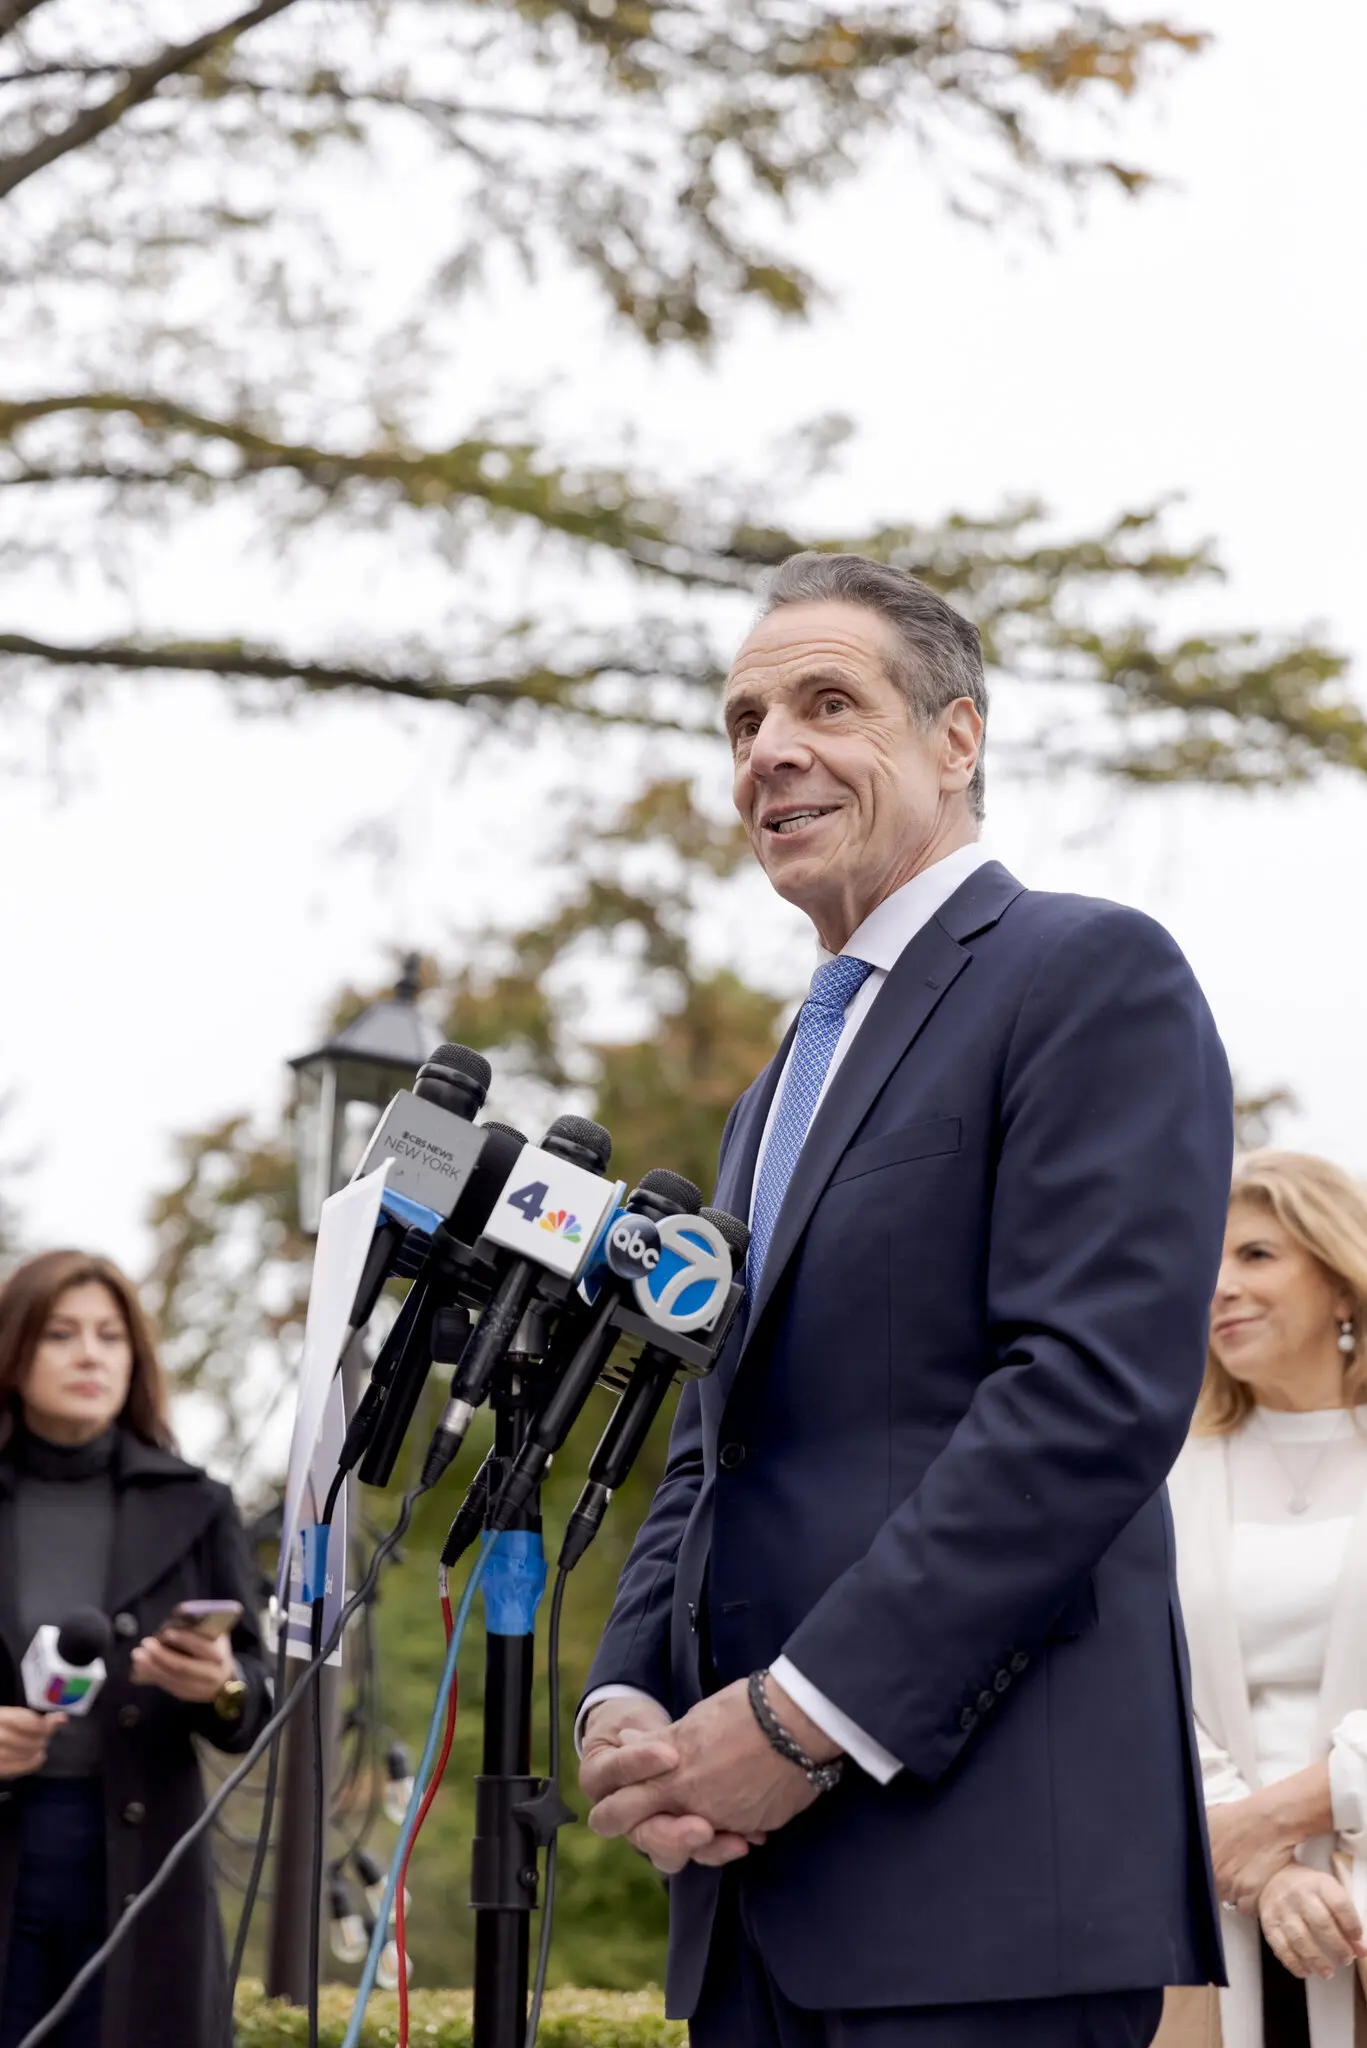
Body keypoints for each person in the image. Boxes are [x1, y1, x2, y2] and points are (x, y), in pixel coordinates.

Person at [576, 551, 1235, 2048]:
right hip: (747, 1903)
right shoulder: (770, 1096)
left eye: (825, 703)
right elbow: (712, 1445)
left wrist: (798, 1724)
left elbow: (1081, 1402)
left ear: (956, 738)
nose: (769, 753)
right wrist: (626, 1706)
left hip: (981, 1889)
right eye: (742, 721)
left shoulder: (1086, 973)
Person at [0, 1249, 271, 2048]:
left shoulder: (196, 1502)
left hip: (143, 1866)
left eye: (111, 1336)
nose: (90, 1354)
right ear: (16, 1351)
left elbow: (253, 1696)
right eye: (61, 1334)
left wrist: (218, 1683)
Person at [1166, 1151, 1367, 2048]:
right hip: (1212, 1908)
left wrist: (1292, 1813)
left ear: (1340, 1281)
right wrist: (1258, 1864)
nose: (1218, 1289)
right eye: (1204, 1265)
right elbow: (1143, 1682)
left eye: (1253, 1256)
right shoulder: (1163, 1474)